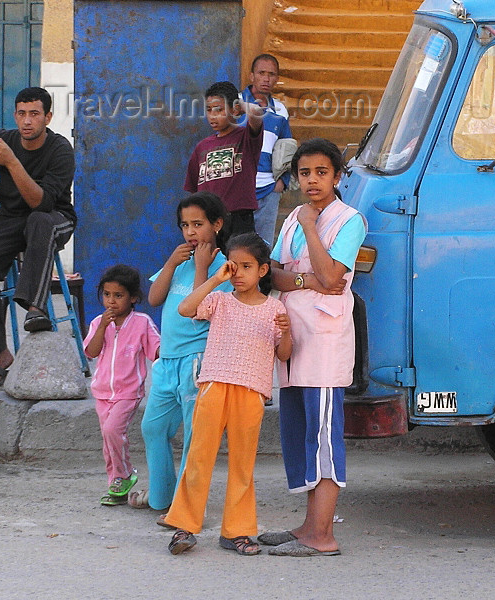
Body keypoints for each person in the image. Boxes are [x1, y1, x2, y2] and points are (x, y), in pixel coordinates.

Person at [258, 138, 366, 557]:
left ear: (338, 177)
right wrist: (308, 280)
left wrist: (308, 228)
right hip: (292, 337)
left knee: (323, 437)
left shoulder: (348, 220)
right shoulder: (291, 219)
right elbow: (273, 275)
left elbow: (332, 272)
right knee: (301, 435)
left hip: (323, 342)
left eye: (322, 172)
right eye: (305, 173)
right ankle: (308, 526)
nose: (313, 180)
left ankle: (324, 535)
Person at [165, 232, 292, 555]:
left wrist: (288, 331)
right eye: (233, 267)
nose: (238, 274)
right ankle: (183, 527)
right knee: (199, 457)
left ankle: (236, 531)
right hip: (213, 385)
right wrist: (214, 278)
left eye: (246, 267)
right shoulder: (219, 301)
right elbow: (185, 308)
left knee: (242, 464)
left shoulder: (274, 308)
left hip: (251, 392)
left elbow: (284, 354)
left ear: (263, 270)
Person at [130, 192, 232, 519]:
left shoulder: (222, 268)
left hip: (196, 361)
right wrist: (172, 264)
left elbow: (200, 309)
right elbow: (155, 298)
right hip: (168, 360)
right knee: (153, 427)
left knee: (194, 436)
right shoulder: (179, 261)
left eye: (198, 224)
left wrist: (202, 267)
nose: (190, 232)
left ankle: (188, 508)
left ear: (216, 225)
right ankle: (162, 498)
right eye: (185, 225)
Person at [0, 87, 75, 387]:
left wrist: (11, 162)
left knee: (38, 220)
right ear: (15, 115)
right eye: (21, 114)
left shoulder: (61, 150)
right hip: (10, 219)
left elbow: (41, 203)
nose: (27, 121)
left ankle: (35, 308)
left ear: (48, 117)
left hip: (55, 218)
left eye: (34, 114)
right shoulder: (6, 139)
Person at [83, 265, 160, 507]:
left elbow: (156, 351)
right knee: (109, 440)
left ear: (133, 297)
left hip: (128, 392)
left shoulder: (142, 323)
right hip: (102, 392)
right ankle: (115, 484)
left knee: (112, 431)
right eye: (107, 295)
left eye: (119, 295)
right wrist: (104, 327)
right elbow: (92, 352)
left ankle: (125, 474)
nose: (111, 301)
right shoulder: (98, 323)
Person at [184, 81, 264, 243]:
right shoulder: (202, 147)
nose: (212, 115)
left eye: (219, 109)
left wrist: (238, 104)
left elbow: (256, 111)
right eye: (208, 110)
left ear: (235, 109)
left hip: (239, 219)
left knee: (239, 264)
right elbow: (194, 192)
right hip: (209, 222)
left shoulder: (245, 138)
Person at [240, 53, 293, 245]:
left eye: (271, 74)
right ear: (252, 75)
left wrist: (282, 182)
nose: (266, 78)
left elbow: (287, 147)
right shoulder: (235, 105)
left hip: (269, 189)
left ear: (277, 79)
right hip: (238, 188)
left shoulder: (280, 111)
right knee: (235, 245)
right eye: (261, 73)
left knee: (263, 247)